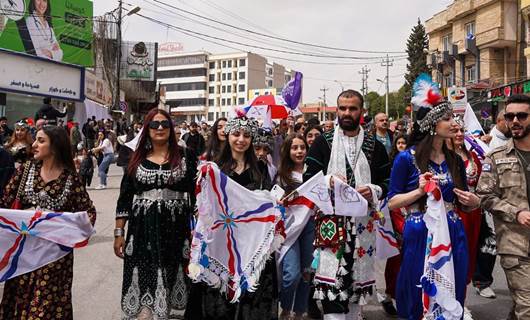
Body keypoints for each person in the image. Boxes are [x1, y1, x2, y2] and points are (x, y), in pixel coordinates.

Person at [388, 84, 479, 319]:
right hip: (421, 232)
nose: (454, 123)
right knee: (419, 287)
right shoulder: (405, 159)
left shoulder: (454, 160)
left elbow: (462, 201)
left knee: (453, 286)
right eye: (447, 118)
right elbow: (392, 202)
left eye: (454, 117)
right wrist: (418, 191)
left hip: (453, 230)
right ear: (431, 123)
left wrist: (473, 202)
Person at [305, 90, 391, 319]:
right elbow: (308, 178)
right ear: (337, 110)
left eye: (352, 108)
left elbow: (388, 181)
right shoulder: (323, 142)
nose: (347, 113)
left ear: (362, 111)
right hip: (331, 223)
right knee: (332, 283)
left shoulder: (375, 145)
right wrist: (328, 180)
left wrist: (374, 189)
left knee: (357, 285)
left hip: (364, 224)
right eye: (342, 108)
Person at [0, 126, 96, 319]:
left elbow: (88, 214)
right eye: (35, 140)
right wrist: (26, 218)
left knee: (46, 305)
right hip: (23, 253)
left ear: (55, 146)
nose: (34, 145)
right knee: (20, 299)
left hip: (54, 257)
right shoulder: (26, 171)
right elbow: (4, 201)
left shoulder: (71, 178)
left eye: (41, 141)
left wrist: (58, 224)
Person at [185, 115, 276, 320]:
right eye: (236, 134)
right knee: (218, 298)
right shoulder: (217, 168)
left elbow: (268, 203)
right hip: (220, 241)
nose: (241, 139)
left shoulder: (260, 169)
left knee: (252, 298)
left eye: (246, 135)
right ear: (228, 136)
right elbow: (203, 203)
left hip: (251, 242)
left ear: (252, 139)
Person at [114, 108, 197, 319]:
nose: (160, 128)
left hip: (176, 228)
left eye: (164, 124)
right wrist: (118, 233)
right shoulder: (136, 159)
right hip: (142, 230)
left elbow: (198, 195)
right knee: (144, 277)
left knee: (173, 273)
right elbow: (125, 197)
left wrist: (200, 230)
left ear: (171, 128)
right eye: (154, 124)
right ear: (146, 129)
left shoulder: (187, 156)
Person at [476, 94, 530, 320]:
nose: (515, 120)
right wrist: (516, 212)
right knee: (527, 307)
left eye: (522, 115)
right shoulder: (496, 157)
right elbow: (484, 196)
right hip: (516, 246)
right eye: (510, 116)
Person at [277, 133, 313, 320]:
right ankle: (285, 308)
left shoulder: (314, 172)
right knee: (291, 274)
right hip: (290, 229)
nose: (299, 151)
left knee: (307, 273)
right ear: (287, 151)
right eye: (294, 147)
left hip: (311, 227)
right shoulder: (281, 175)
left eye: (302, 147)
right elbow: (274, 201)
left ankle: (300, 312)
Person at [381, 132, 409, 317]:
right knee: (395, 260)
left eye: (403, 143)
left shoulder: (414, 163)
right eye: (398, 143)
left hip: (412, 213)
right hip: (397, 216)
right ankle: (390, 296)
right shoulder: (393, 167)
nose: (401, 145)